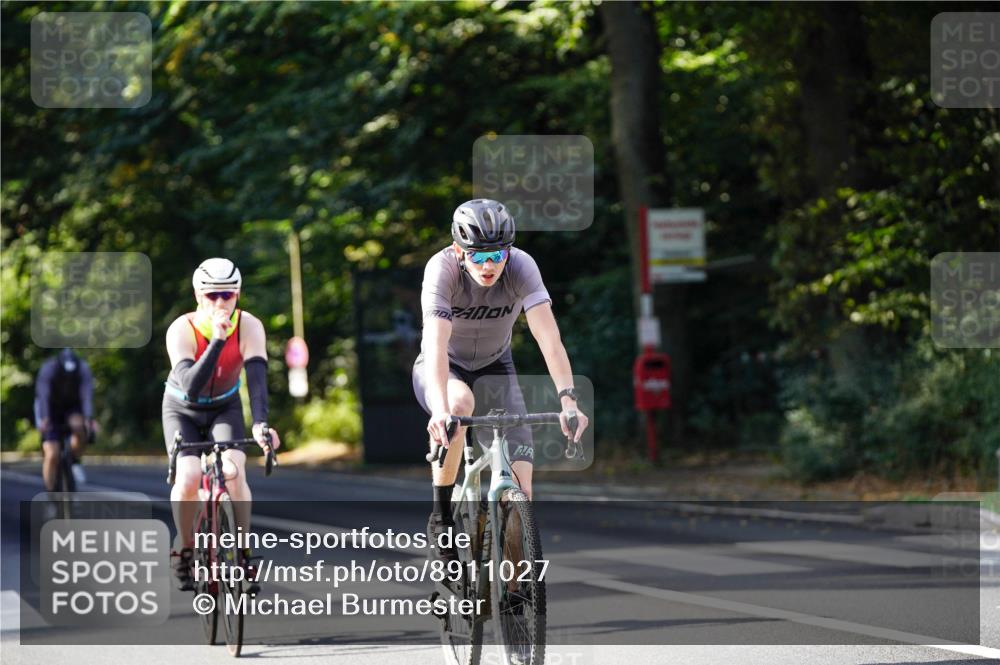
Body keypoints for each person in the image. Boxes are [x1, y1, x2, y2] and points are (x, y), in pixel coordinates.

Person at [413, 199, 589, 562]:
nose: (489, 265)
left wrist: (568, 400)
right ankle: (442, 517)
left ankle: (514, 595)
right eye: (478, 257)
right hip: (445, 365)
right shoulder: (441, 269)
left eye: (498, 255)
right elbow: (435, 341)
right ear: (459, 252)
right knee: (460, 409)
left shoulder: (522, 266)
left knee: (522, 491)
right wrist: (441, 410)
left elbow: (548, 338)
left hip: (497, 367)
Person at [163, 258, 281, 592]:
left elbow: (257, 381)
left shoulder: (250, 326)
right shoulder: (181, 329)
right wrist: (217, 339)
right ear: (198, 295)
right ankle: (184, 548)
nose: (220, 303)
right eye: (212, 295)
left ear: (238, 294)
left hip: (224, 408)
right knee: (188, 477)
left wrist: (260, 424)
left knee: (233, 470)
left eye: (227, 295)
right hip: (182, 409)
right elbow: (190, 385)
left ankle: (243, 552)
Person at [35, 348, 96, 489]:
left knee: (80, 426)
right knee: (52, 454)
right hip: (50, 408)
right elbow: (43, 395)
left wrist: (88, 418)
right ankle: (50, 494)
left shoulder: (82, 369)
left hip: (71, 407)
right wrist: (44, 418)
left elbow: (86, 396)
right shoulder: (49, 369)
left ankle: (74, 460)